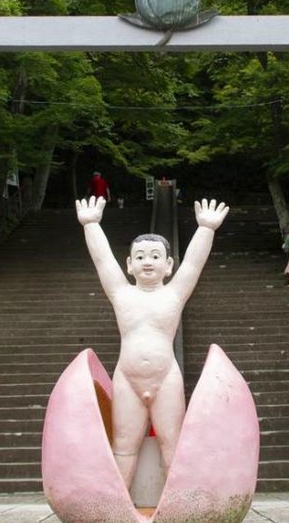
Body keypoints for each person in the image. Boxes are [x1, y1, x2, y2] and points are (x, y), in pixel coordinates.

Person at [75, 195, 229, 489]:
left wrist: (206, 229)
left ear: (168, 265)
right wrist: (91, 224)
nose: (148, 262)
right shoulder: (121, 293)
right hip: (127, 378)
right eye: (141, 257)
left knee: (173, 444)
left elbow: (193, 264)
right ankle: (118, 505)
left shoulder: (174, 294)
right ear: (129, 264)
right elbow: (103, 261)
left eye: (156, 256)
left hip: (166, 377)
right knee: (124, 445)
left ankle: (178, 503)